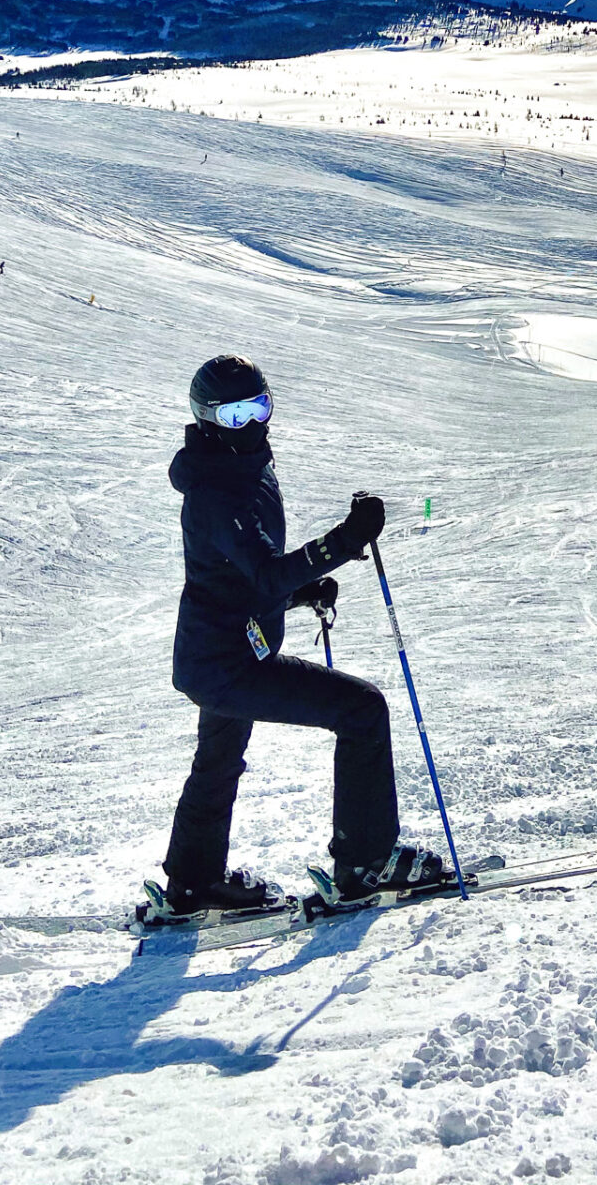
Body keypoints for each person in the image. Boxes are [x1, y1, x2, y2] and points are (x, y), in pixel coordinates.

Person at [161, 354, 450, 916]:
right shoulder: (216, 490)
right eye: (232, 414)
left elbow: (236, 575)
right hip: (228, 661)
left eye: (257, 408)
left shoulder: (243, 470)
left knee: (220, 757)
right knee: (361, 708)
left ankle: (192, 885)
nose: (248, 424)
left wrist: (298, 593)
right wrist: (344, 542)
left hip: (221, 651)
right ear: (206, 417)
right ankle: (367, 863)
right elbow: (264, 570)